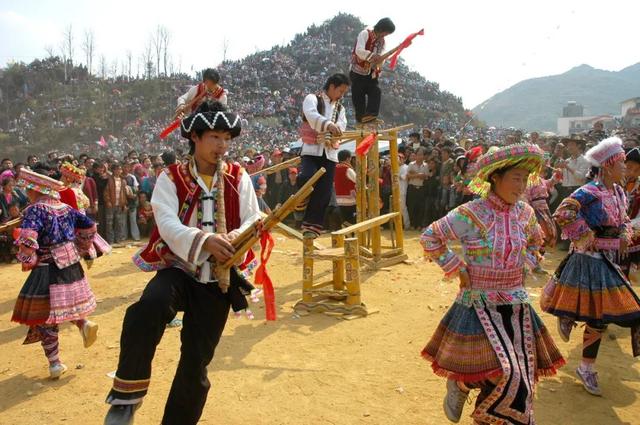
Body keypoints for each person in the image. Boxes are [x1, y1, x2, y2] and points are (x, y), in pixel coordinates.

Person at [103, 101, 260, 425]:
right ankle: (125, 400)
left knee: (196, 364)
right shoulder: (170, 177)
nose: (222, 145)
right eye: (215, 137)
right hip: (178, 269)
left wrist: (235, 239)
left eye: (227, 138)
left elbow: (253, 217)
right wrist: (205, 241)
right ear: (196, 138)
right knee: (149, 307)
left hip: (218, 280)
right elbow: (167, 224)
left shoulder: (238, 176)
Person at [421, 143, 565, 424]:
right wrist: (456, 267)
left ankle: (464, 387)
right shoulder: (471, 213)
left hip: (516, 304)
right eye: (516, 178)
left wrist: (527, 262)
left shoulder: (525, 213)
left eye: (525, 179)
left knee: (519, 374)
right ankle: (462, 385)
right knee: (501, 371)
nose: (521, 186)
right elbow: (430, 236)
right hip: (478, 303)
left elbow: (537, 242)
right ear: (495, 178)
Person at [542, 136, 640, 396]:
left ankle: (582, 355)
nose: (624, 168)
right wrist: (587, 237)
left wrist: (623, 236)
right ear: (608, 165)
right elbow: (564, 212)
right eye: (621, 163)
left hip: (608, 262)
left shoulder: (619, 192)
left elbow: (624, 222)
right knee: (598, 316)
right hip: (588, 261)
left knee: (604, 317)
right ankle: (586, 366)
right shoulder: (589, 191)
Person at [11, 168, 104, 379]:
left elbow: (28, 240)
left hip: (48, 267)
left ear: (36, 190)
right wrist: (82, 246)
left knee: (45, 317)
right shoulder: (66, 208)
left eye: (29, 189)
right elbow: (90, 226)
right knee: (66, 305)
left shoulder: (35, 210)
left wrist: (25, 256)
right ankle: (84, 323)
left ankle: (54, 363)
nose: (27, 193)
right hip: (71, 264)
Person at [297, 73, 349, 238]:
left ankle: (312, 227)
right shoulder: (312, 98)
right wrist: (329, 125)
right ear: (332, 86)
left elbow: (343, 124)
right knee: (306, 177)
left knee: (324, 192)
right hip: (311, 151)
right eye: (340, 91)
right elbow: (311, 115)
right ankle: (300, 204)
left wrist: (336, 129)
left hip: (330, 154)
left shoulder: (340, 108)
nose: (341, 95)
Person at [349, 17, 395, 127]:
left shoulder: (382, 42)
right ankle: (360, 120)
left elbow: (381, 57)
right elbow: (359, 50)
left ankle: (371, 115)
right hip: (357, 71)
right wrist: (373, 57)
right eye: (385, 32)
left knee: (375, 91)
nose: (385, 35)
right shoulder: (365, 34)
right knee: (358, 96)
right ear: (381, 28)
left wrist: (379, 62)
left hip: (371, 72)